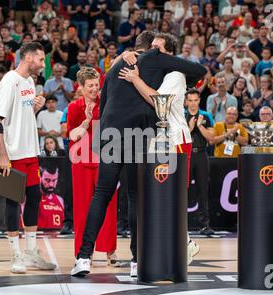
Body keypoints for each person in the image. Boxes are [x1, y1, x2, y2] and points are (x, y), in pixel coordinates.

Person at [71, 31, 207, 277]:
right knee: (134, 198)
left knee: (101, 195)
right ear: (152, 50)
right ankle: (136, 260)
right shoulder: (157, 59)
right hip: (138, 135)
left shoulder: (114, 66)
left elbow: (104, 104)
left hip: (110, 133)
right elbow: (197, 70)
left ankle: (83, 258)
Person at [118, 32, 200, 265]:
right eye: (151, 47)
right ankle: (179, 244)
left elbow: (158, 102)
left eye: (158, 48)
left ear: (169, 53)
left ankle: (184, 244)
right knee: (157, 195)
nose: (152, 52)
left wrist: (135, 80)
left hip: (175, 139)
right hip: (156, 140)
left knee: (171, 195)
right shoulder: (157, 72)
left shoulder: (175, 74)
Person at [0, 42, 56, 273]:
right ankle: (15, 255)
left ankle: (30, 252)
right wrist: (4, 157)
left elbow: (22, 115)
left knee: (34, 198)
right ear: (28, 58)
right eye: (41, 59)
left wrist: (35, 108)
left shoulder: (30, 81)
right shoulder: (10, 81)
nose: (43, 64)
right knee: (12, 202)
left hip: (30, 151)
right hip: (12, 153)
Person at [67, 66, 120, 265]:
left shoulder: (106, 104)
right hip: (80, 161)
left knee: (109, 205)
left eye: (96, 85)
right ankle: (82, 252)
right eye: (90, 85)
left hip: (105, 159)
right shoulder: (73, 108)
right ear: (80, 87)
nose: (94, 89)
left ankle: (110, 251)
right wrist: (87, 121)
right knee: (82, 207)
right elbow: (72, 135)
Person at [184, 88, 215, 236]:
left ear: (199, 100)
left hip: (202, 154)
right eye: (190, 100)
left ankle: (205, 225)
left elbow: (212, 138)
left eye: (195, 100)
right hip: (186, 155)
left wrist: (199, 126)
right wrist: (190, 128)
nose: (193, 104)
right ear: (186, 101)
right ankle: (181, 223)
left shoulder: (206, 116)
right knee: (183, 190)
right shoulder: (181, 115)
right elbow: (178, 138)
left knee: (203, 190)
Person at [38, 165, 65, 229]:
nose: (51, 184)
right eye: (47, 180)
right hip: (40, 237)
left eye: (54, 180)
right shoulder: (32, 198)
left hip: (58, 238)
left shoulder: (60, 200)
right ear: (40, 177)